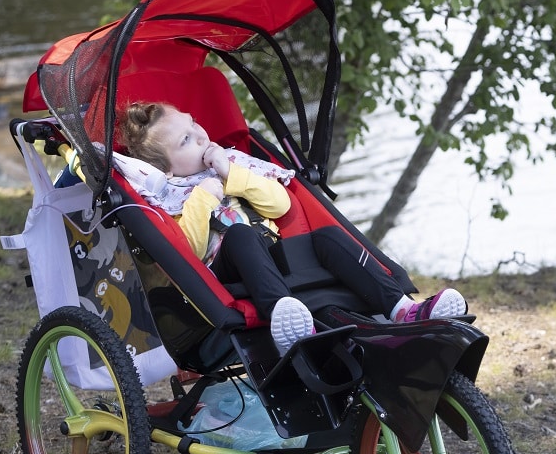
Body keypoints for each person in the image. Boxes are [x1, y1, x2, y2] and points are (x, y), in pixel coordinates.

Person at [117, 102, 466, 354]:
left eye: (194, 125)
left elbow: (280, 205)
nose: (199, 135)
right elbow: (188, 251)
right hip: (228, 275)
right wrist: (203, 198)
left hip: (274, 257)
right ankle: (287, 317)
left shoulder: (232, 163)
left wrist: (230, 174)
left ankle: (402, 308)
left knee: (327, 238)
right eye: (185, 141)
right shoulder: (172, 195)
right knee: (240, 235)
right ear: (169, 170)